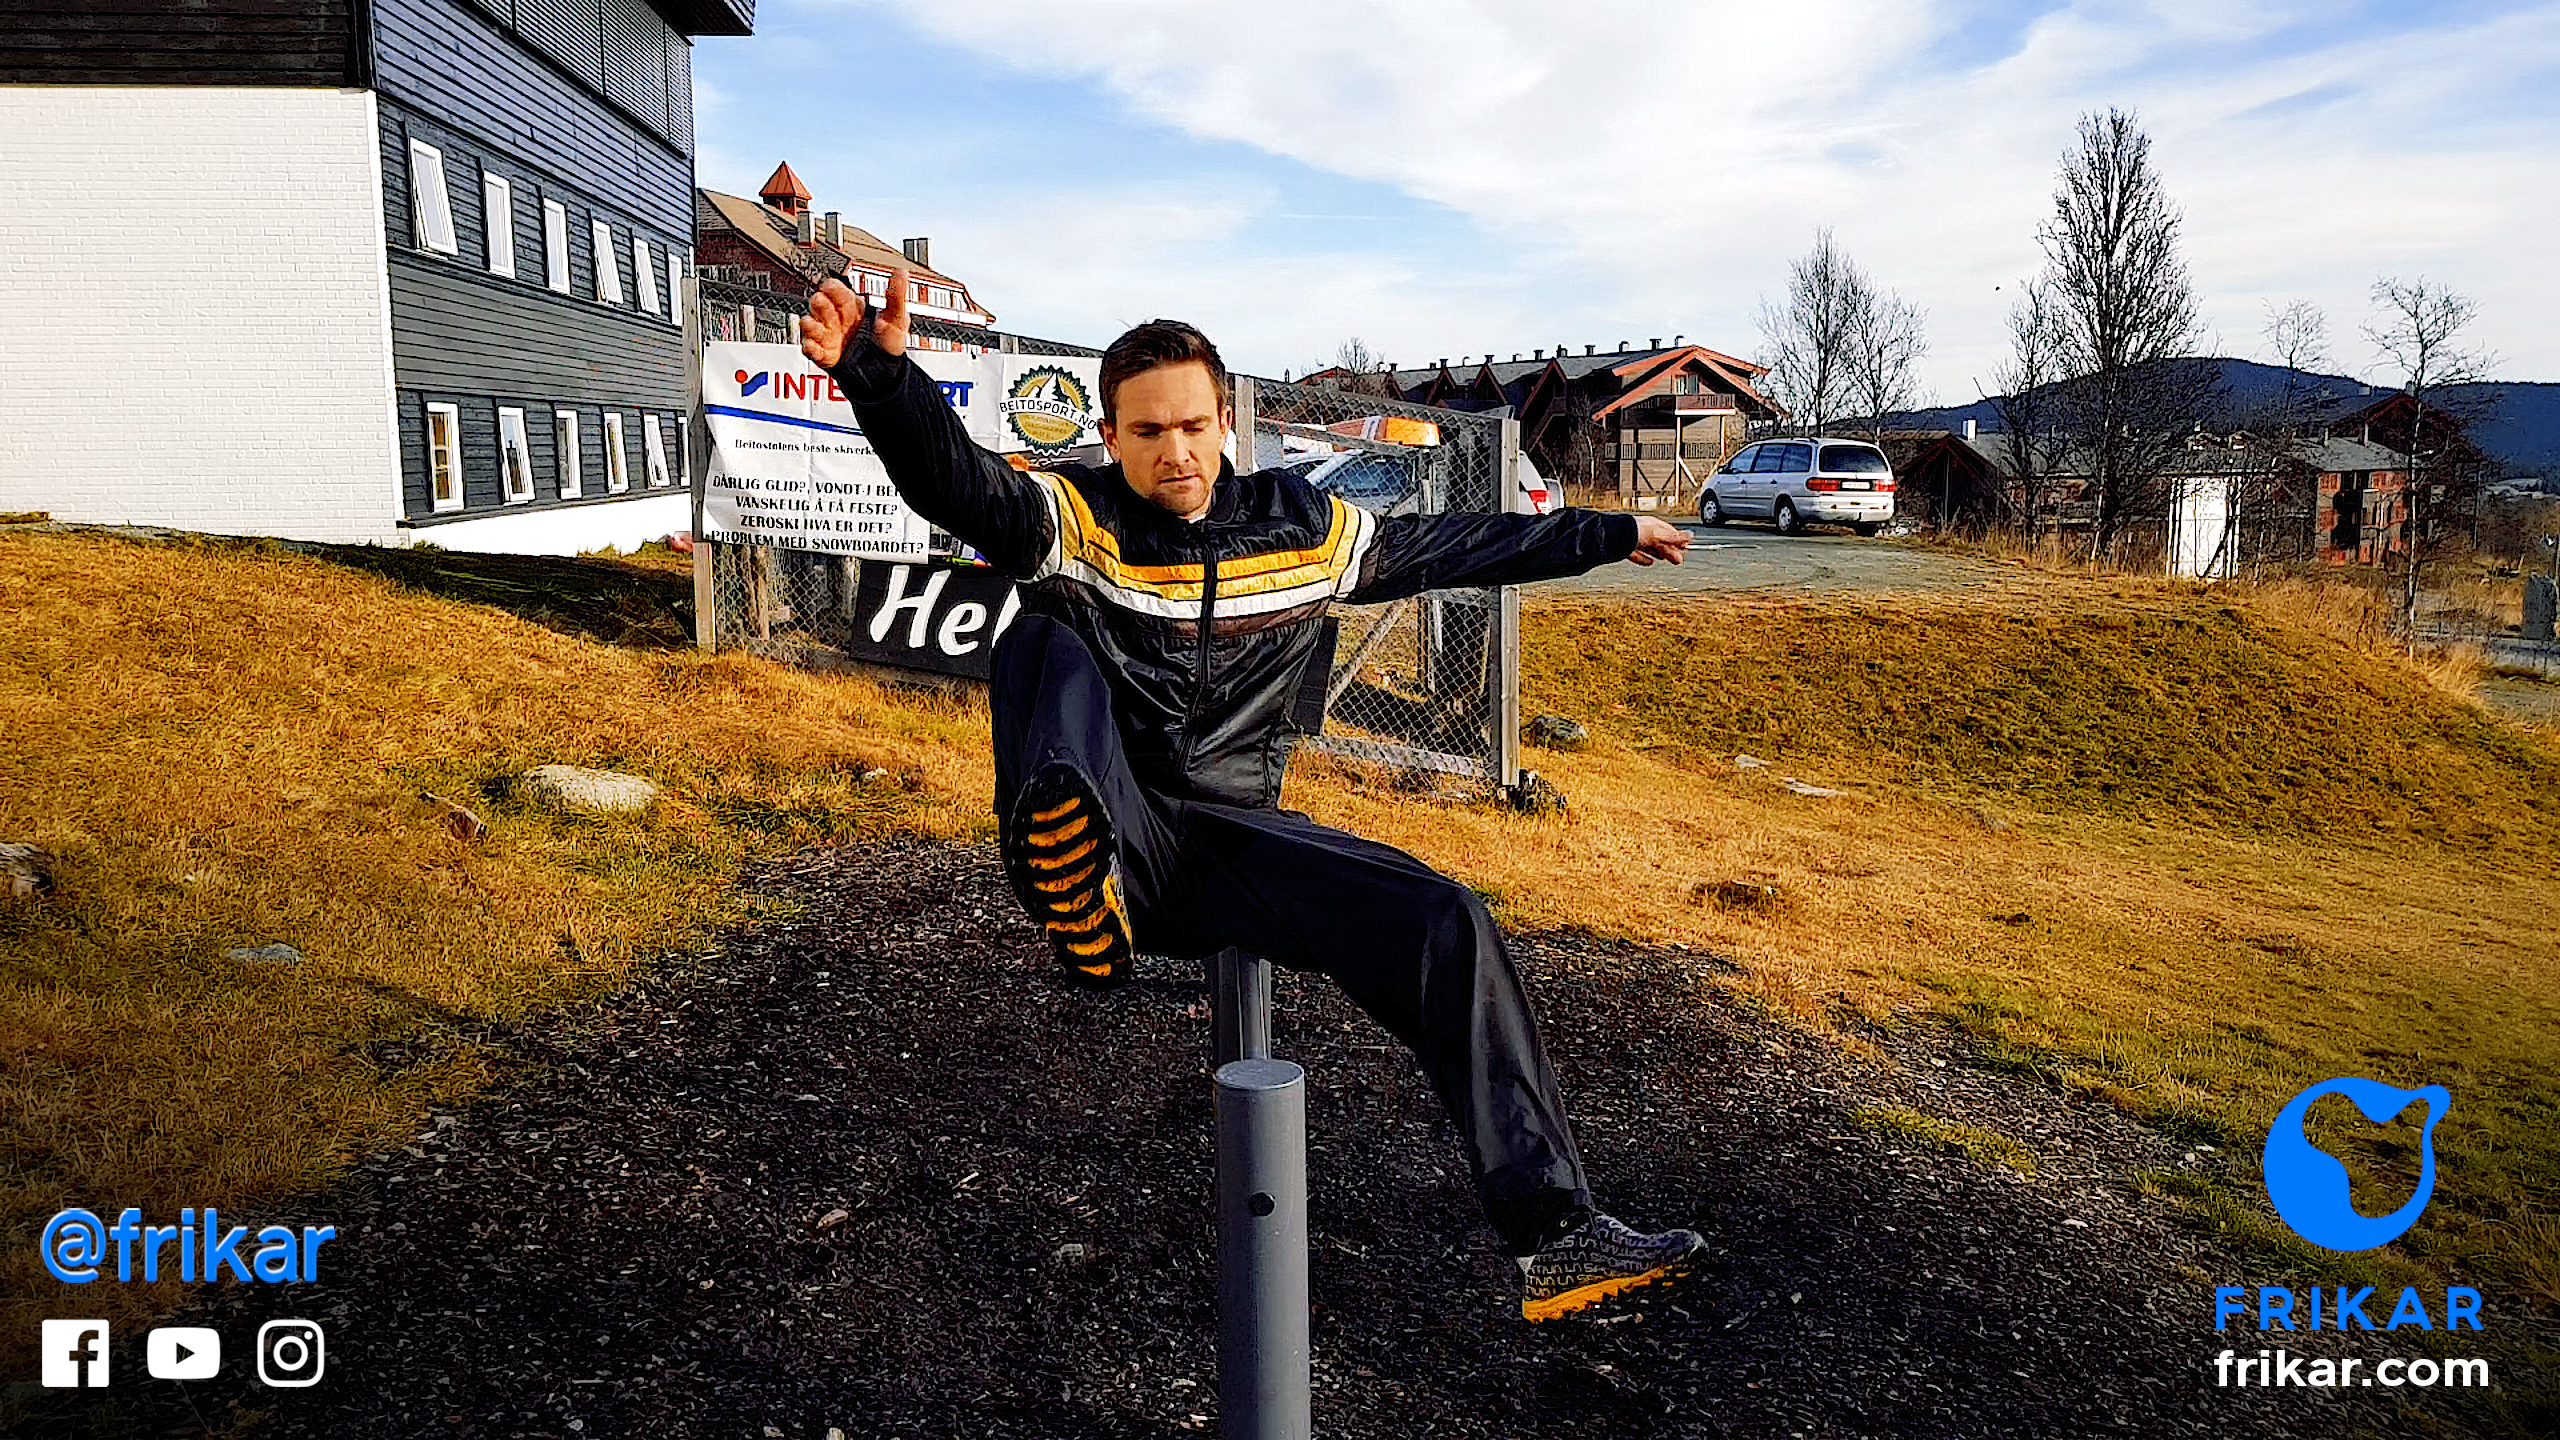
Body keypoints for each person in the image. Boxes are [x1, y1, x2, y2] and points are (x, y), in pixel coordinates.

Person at [799, 269, 1704, 1323]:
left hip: (1238, 838)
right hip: (1114, 817)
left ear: (1228, 422)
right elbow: (959, 484)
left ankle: (1554, 1232)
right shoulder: (1074, 522)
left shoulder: (1303, 528)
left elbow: (1453, 544)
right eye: (1145, 432)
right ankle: (1077, 880)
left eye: (1190, 425)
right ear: (1109, 434)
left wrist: (1606, 532)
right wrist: (878, 375)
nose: (1171, 451)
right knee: (1042, 635)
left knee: (1445, 918)